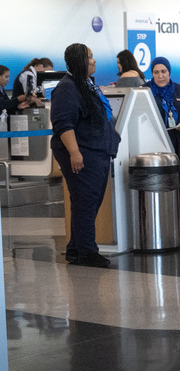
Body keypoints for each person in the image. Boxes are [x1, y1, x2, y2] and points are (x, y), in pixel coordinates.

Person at [50, 44, 121, 267]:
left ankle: (75, 249)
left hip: (97, 152)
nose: (94, 61)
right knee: (86, 202)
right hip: (83, 154)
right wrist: (74, 152)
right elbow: (63, 123)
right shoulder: (67, 88)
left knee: (88, 201)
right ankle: (87, 252)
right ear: (79, 61)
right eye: (90, 57)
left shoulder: (86, 85)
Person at [144, 56, 180, 238]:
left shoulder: (179, 90)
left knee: (177, 186)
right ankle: (155, 225)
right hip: (154, 146)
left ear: (169, 72)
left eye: (163, 71)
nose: (160, 76)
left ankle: (176, 224)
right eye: (156, 72)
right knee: (156, 187)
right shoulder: (145, 92)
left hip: (176, 145)